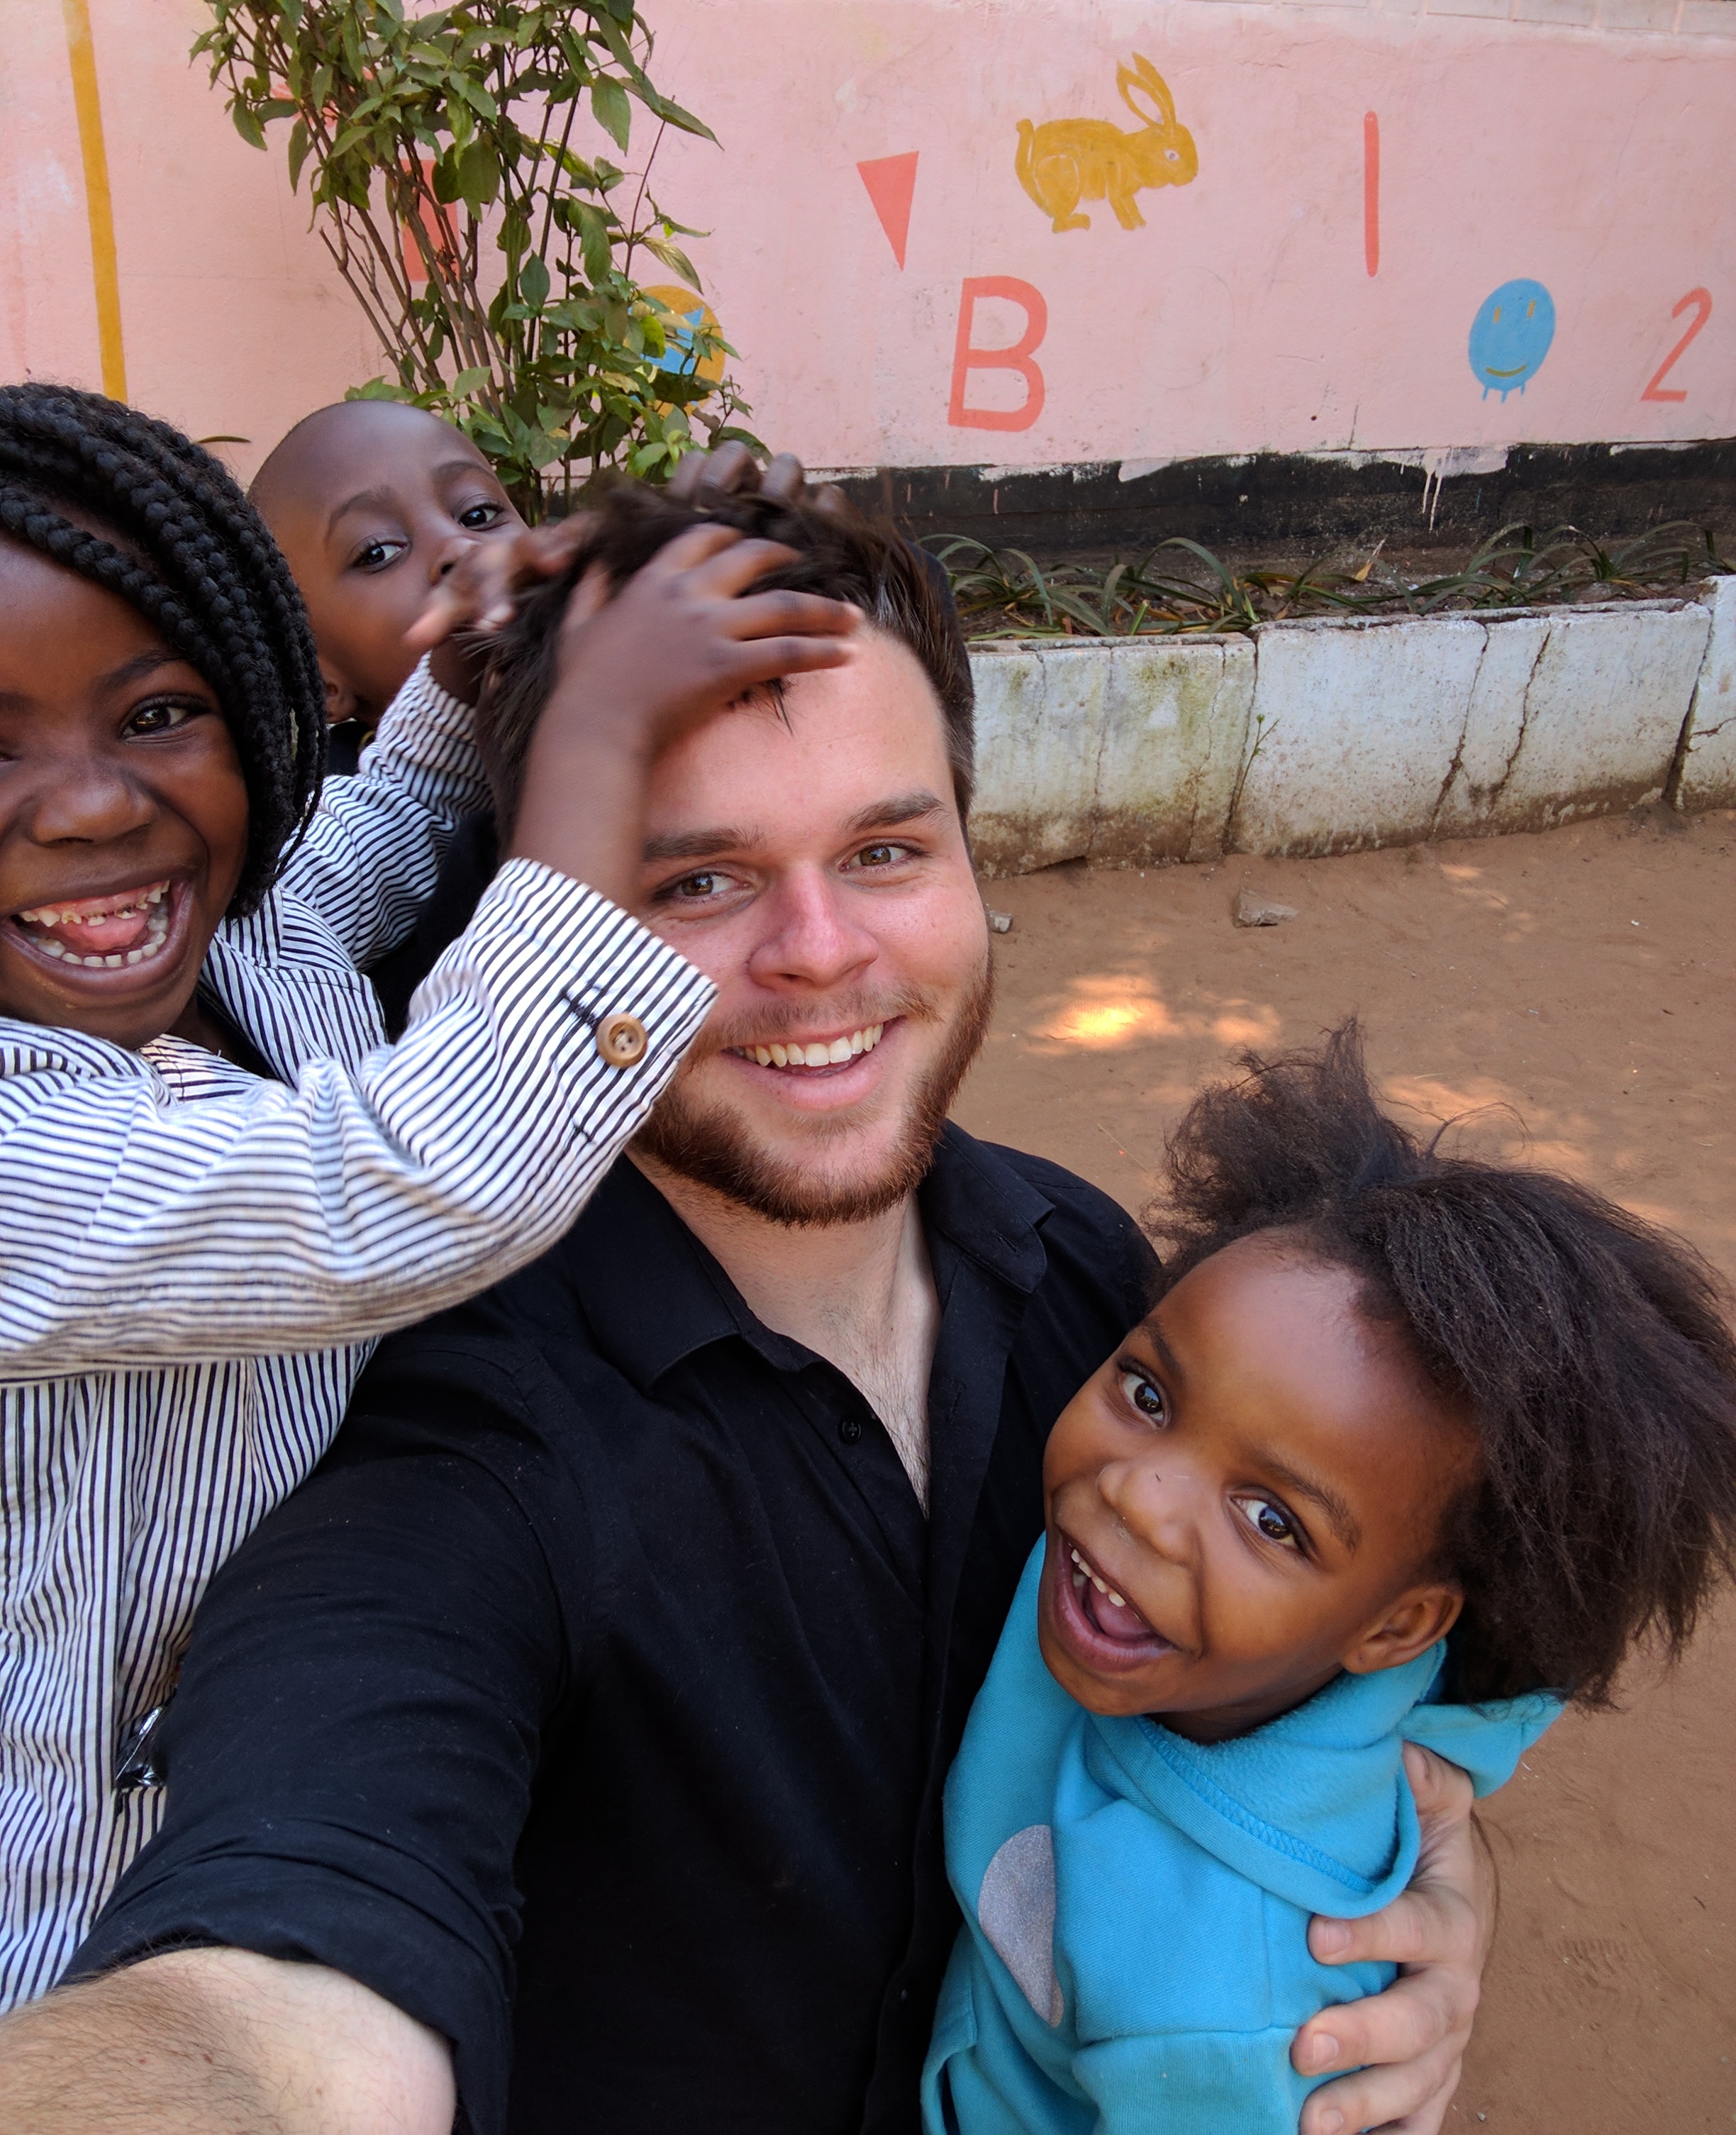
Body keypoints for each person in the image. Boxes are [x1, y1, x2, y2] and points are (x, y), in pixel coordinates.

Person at [0, 482, 1493, 2135]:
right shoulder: (450, 1451)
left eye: (879, 849)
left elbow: (1325, 1629)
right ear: (547, 926)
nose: (816, 950)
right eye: (698, 880)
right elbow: (282, 1997)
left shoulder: (1097, 1291)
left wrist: (1421, 1862)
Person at [0, 387, 857, 2009]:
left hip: (297, 1765)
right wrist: (594, 735)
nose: (92, 803)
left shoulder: (243, 932)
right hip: (55, 1916)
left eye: (158, 712)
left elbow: (374, 827)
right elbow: (407, 1174)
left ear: (259, 702)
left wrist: (483, 681)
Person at [923, 1026, 1736, 2135]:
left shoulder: (1224, 2006)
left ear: (1400, 1626)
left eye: (1272, 1520)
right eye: (1151, 1394)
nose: (1138, 1499)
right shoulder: (1146, 1595)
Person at [250, 398, 524, 772]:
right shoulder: (339, 819)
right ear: (321, 682)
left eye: (479, 514)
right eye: (378, 552)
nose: (460, 547)